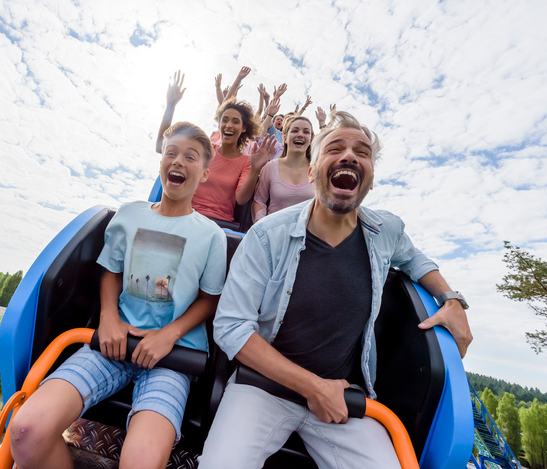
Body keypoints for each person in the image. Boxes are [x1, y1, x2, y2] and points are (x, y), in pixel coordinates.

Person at [200, 111, 473, 469]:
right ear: (312, 171)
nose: (349, 156)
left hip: (345, 397)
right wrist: (314, 388)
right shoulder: (267, 235)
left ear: (371, 179)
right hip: (263, 386)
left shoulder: (384, 231)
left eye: (362, 152)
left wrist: (451, 299)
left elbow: (416, 260)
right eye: (335, 148)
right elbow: (231, 326)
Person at [10, 122, 228, 469]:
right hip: (113, 344)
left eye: (191, 157)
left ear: (203, 173)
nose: (178, 161)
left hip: (171, 359)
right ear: (161, 162)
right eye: (171, 153)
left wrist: (167, 336)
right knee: (25, 429)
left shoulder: (211, 235)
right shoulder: (130, 214)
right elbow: (111, 271)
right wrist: (109, 317)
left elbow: (209, 299)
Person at [156, 71, 276, 225]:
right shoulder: (204, 149)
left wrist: (255, 170)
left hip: (220, 223)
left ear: (244, 128)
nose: (229, 125)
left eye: (235, 121)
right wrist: (170, 106)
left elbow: (241, 198)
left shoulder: (246, 161)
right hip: (186, 216)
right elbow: (161, 147)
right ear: (219, 124)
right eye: (224, 120)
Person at [252, 115, 314, 222]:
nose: (300, 135)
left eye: (306, 132)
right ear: (284, 138)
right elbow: (259, 201)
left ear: (311, 140)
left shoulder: (317, 171)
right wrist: (261, 224)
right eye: (295, 131)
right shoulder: (270, 167)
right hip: (273, 233)